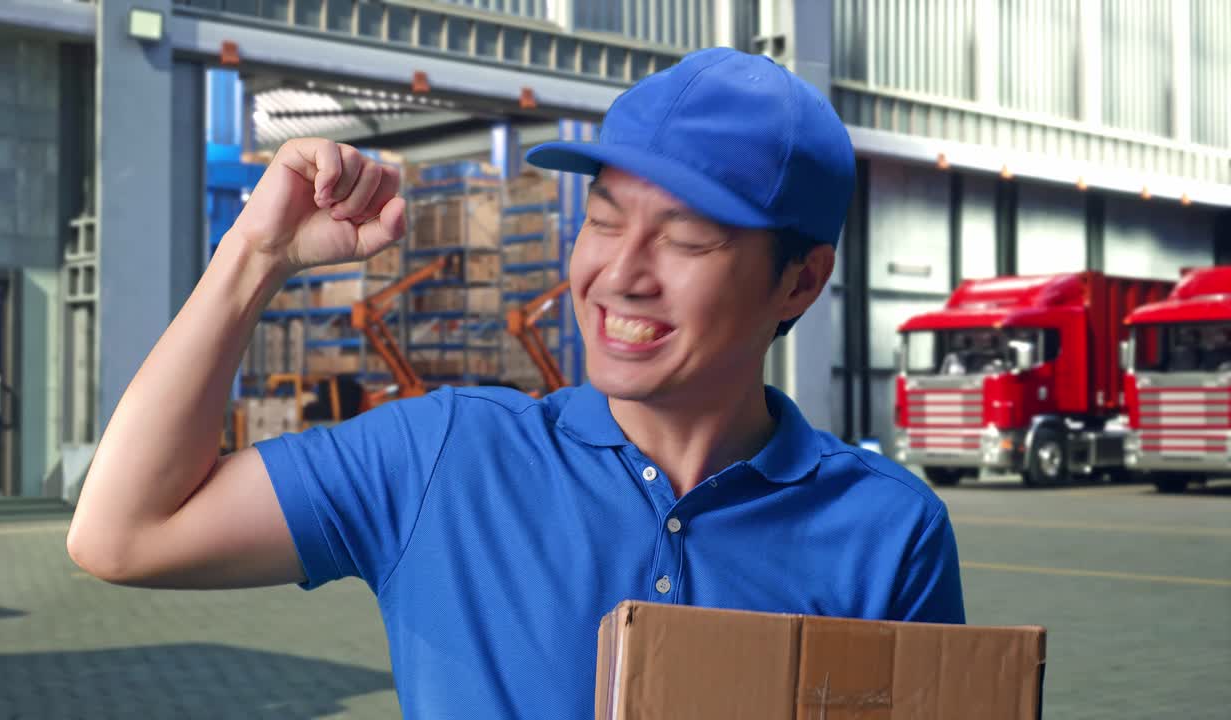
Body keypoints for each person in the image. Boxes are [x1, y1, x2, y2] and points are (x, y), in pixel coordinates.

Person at [67, 47, 964, 719]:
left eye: (686, 239)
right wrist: (254, 256)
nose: (620, 274)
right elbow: (125, 535)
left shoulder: (885, 530)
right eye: (605, 222)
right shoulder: (445, 457)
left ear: (800, 281)